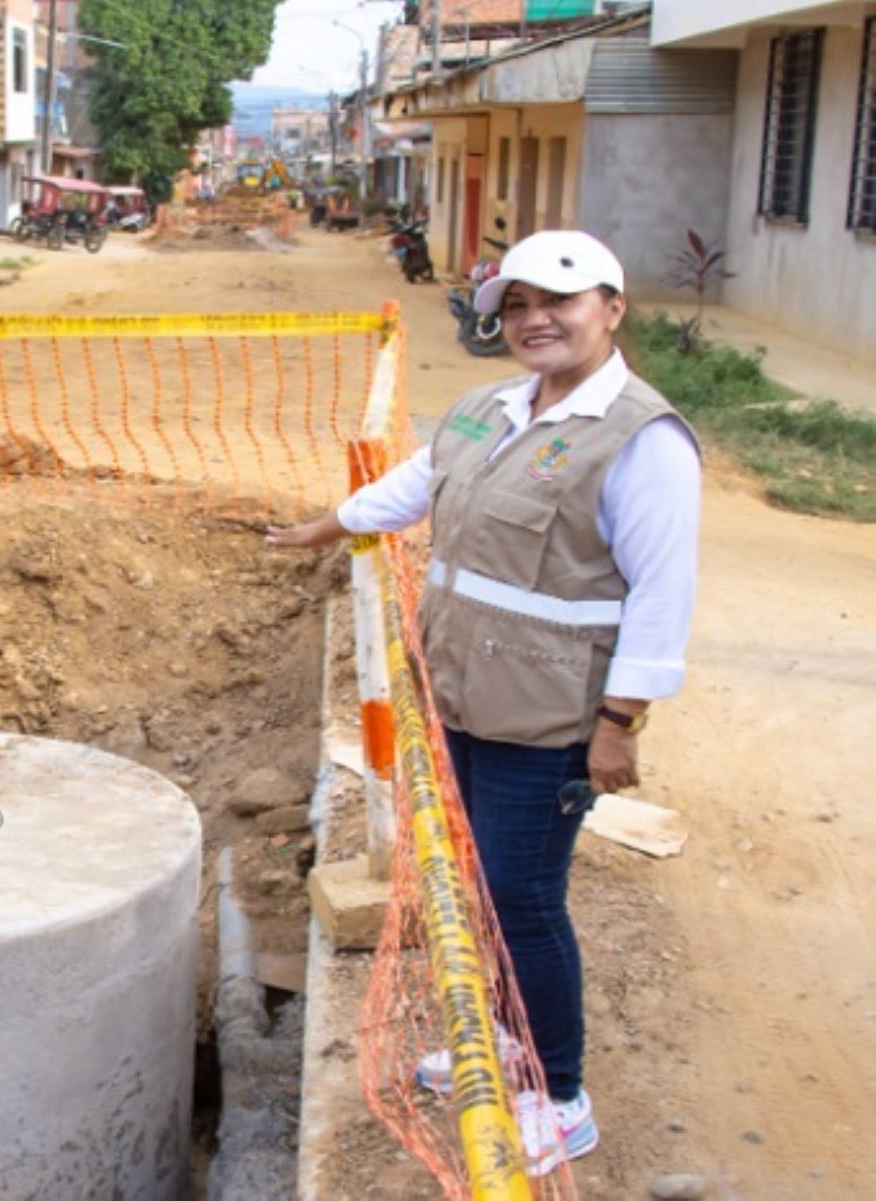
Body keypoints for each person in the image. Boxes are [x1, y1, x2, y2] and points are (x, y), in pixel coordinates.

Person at [266, 230, 701, 1176]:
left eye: (559, 299)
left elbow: (664, 594)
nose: (534, 319)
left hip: (548, 723)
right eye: (515, 305)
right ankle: (510, 1043)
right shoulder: (485, 409)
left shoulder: (642, 441)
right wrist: (322, 527)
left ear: (611, 309)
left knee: (523, 899)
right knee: (477, 891)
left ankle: (561, 1096)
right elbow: (412, 487)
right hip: (460, 696)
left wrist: (618, 724)